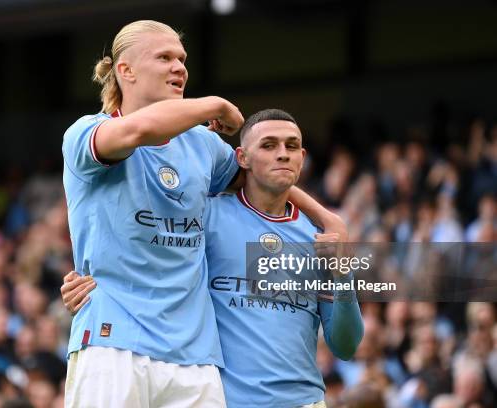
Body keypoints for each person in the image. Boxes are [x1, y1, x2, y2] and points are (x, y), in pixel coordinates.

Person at [62, 19, 344, 408]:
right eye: (165, 57)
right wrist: (213, 105)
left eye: (182, 58)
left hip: (195, 358)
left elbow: (259, 177)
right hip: (115, 341)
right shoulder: (85, 133)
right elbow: (134, 132)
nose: (180, 67)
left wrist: (327, 218)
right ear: (125, 70)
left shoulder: (203, 145)